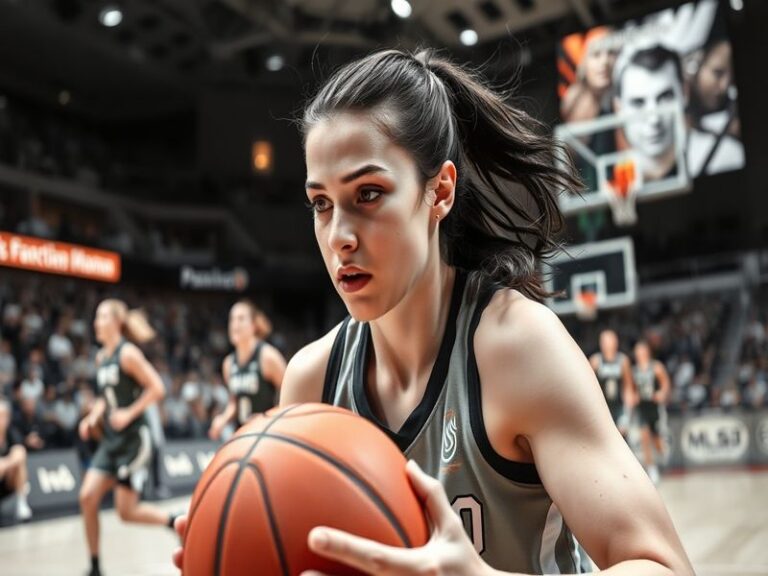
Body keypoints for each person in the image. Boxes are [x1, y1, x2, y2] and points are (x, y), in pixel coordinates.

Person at [174, 48, 693, 575]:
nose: (339, 238)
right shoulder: (311, 382)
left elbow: (666, 567)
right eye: (321, 204)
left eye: (368, 194)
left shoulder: (517, 349)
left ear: (440, 190)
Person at [78, 299, 175, 576]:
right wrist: (92, 416)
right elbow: (105, 398)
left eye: (102, 316)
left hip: (135, 440)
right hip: (112, 440)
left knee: (126, 512)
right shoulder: (101, 357)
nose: (97, 322)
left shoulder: (128, 353)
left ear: (117, 322)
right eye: (96, 317)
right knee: (87, 497)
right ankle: (95, 566)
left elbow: (158, 388)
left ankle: (174, 520)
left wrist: (129, 413)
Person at [208, 300, 286, 440]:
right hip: (243, 435)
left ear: (253, 326)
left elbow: (292, 395)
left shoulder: (268, 356)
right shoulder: (228, 363)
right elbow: (234, 402)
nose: (235, 324)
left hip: (268, 435)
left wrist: (269, 418)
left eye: (241, 318)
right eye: (232, 319)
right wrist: (222, 420)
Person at [613, 44, 684, 183]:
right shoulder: (610, 181)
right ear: (618, 108)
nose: (654, 119)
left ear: (684, 93)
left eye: (664, 98)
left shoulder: (726, 155)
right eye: (638, 103)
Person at [632, 340, 671, 485]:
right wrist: (633, 397)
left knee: (657, 439)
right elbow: (631, 388)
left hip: (654, 407)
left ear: (647, 352)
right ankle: (651, 468)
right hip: (642, 407)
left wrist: (662, 393)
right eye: (637, 352)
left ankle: (663, 455)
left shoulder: (656, 367)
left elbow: (666, 383)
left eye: (642, 351)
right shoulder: (634, 370)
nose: (640, 354)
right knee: (644, 437)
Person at [589, 329, 635, 438]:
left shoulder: (623, 361)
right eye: (605, 342)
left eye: (610, 341)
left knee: (621, 436)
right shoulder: (595, 361)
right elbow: (588, 387)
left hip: (618, 405)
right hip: (603, 408)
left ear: (616, 342)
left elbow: (628, 387)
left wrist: (627, 414)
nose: (608, 345)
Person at [0, 397, 32, 521]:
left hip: (6, 482)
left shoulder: (11, 432)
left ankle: (22, 504)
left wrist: (4, 464)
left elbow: (21, 453)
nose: (2, 420)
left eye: (4, 416)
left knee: (19, 456)